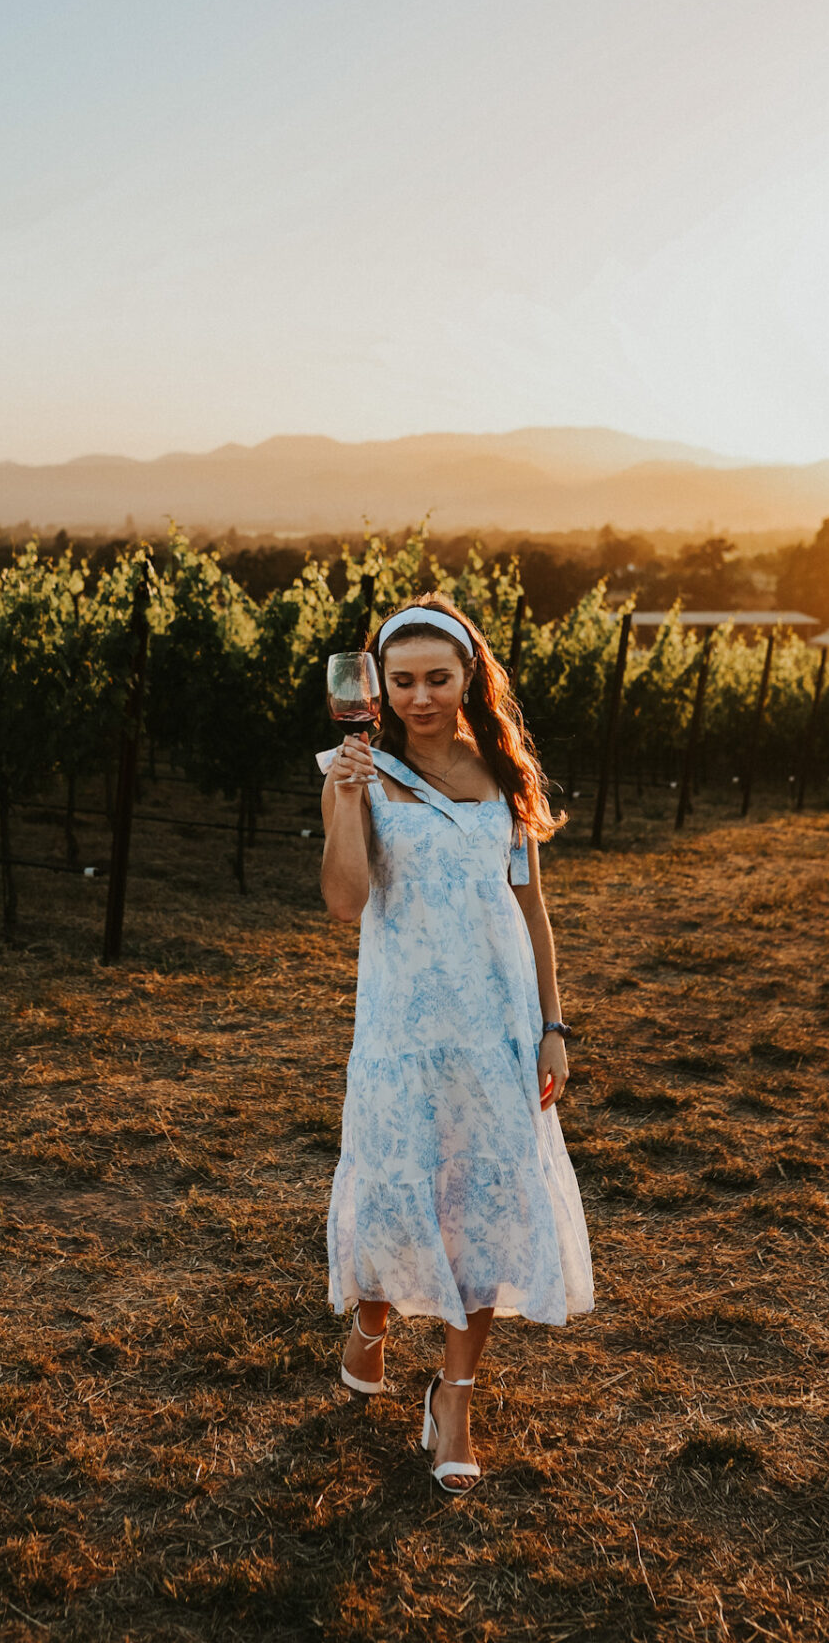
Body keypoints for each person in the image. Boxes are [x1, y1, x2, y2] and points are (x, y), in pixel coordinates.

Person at [318, 594, 594, 1495]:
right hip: (403, 1024)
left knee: (481, 1200)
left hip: (497, 1026)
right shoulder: (359, 771)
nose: (420, 697)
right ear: (377, 685)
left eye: (438, 678)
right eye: (403, 681)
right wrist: (343, 801)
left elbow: (531, 908)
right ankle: (372, 1321)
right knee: (401, 1180)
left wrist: (552, 1026)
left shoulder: (505, 775)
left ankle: (456, 1401)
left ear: (470, 677)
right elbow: (347, 902)